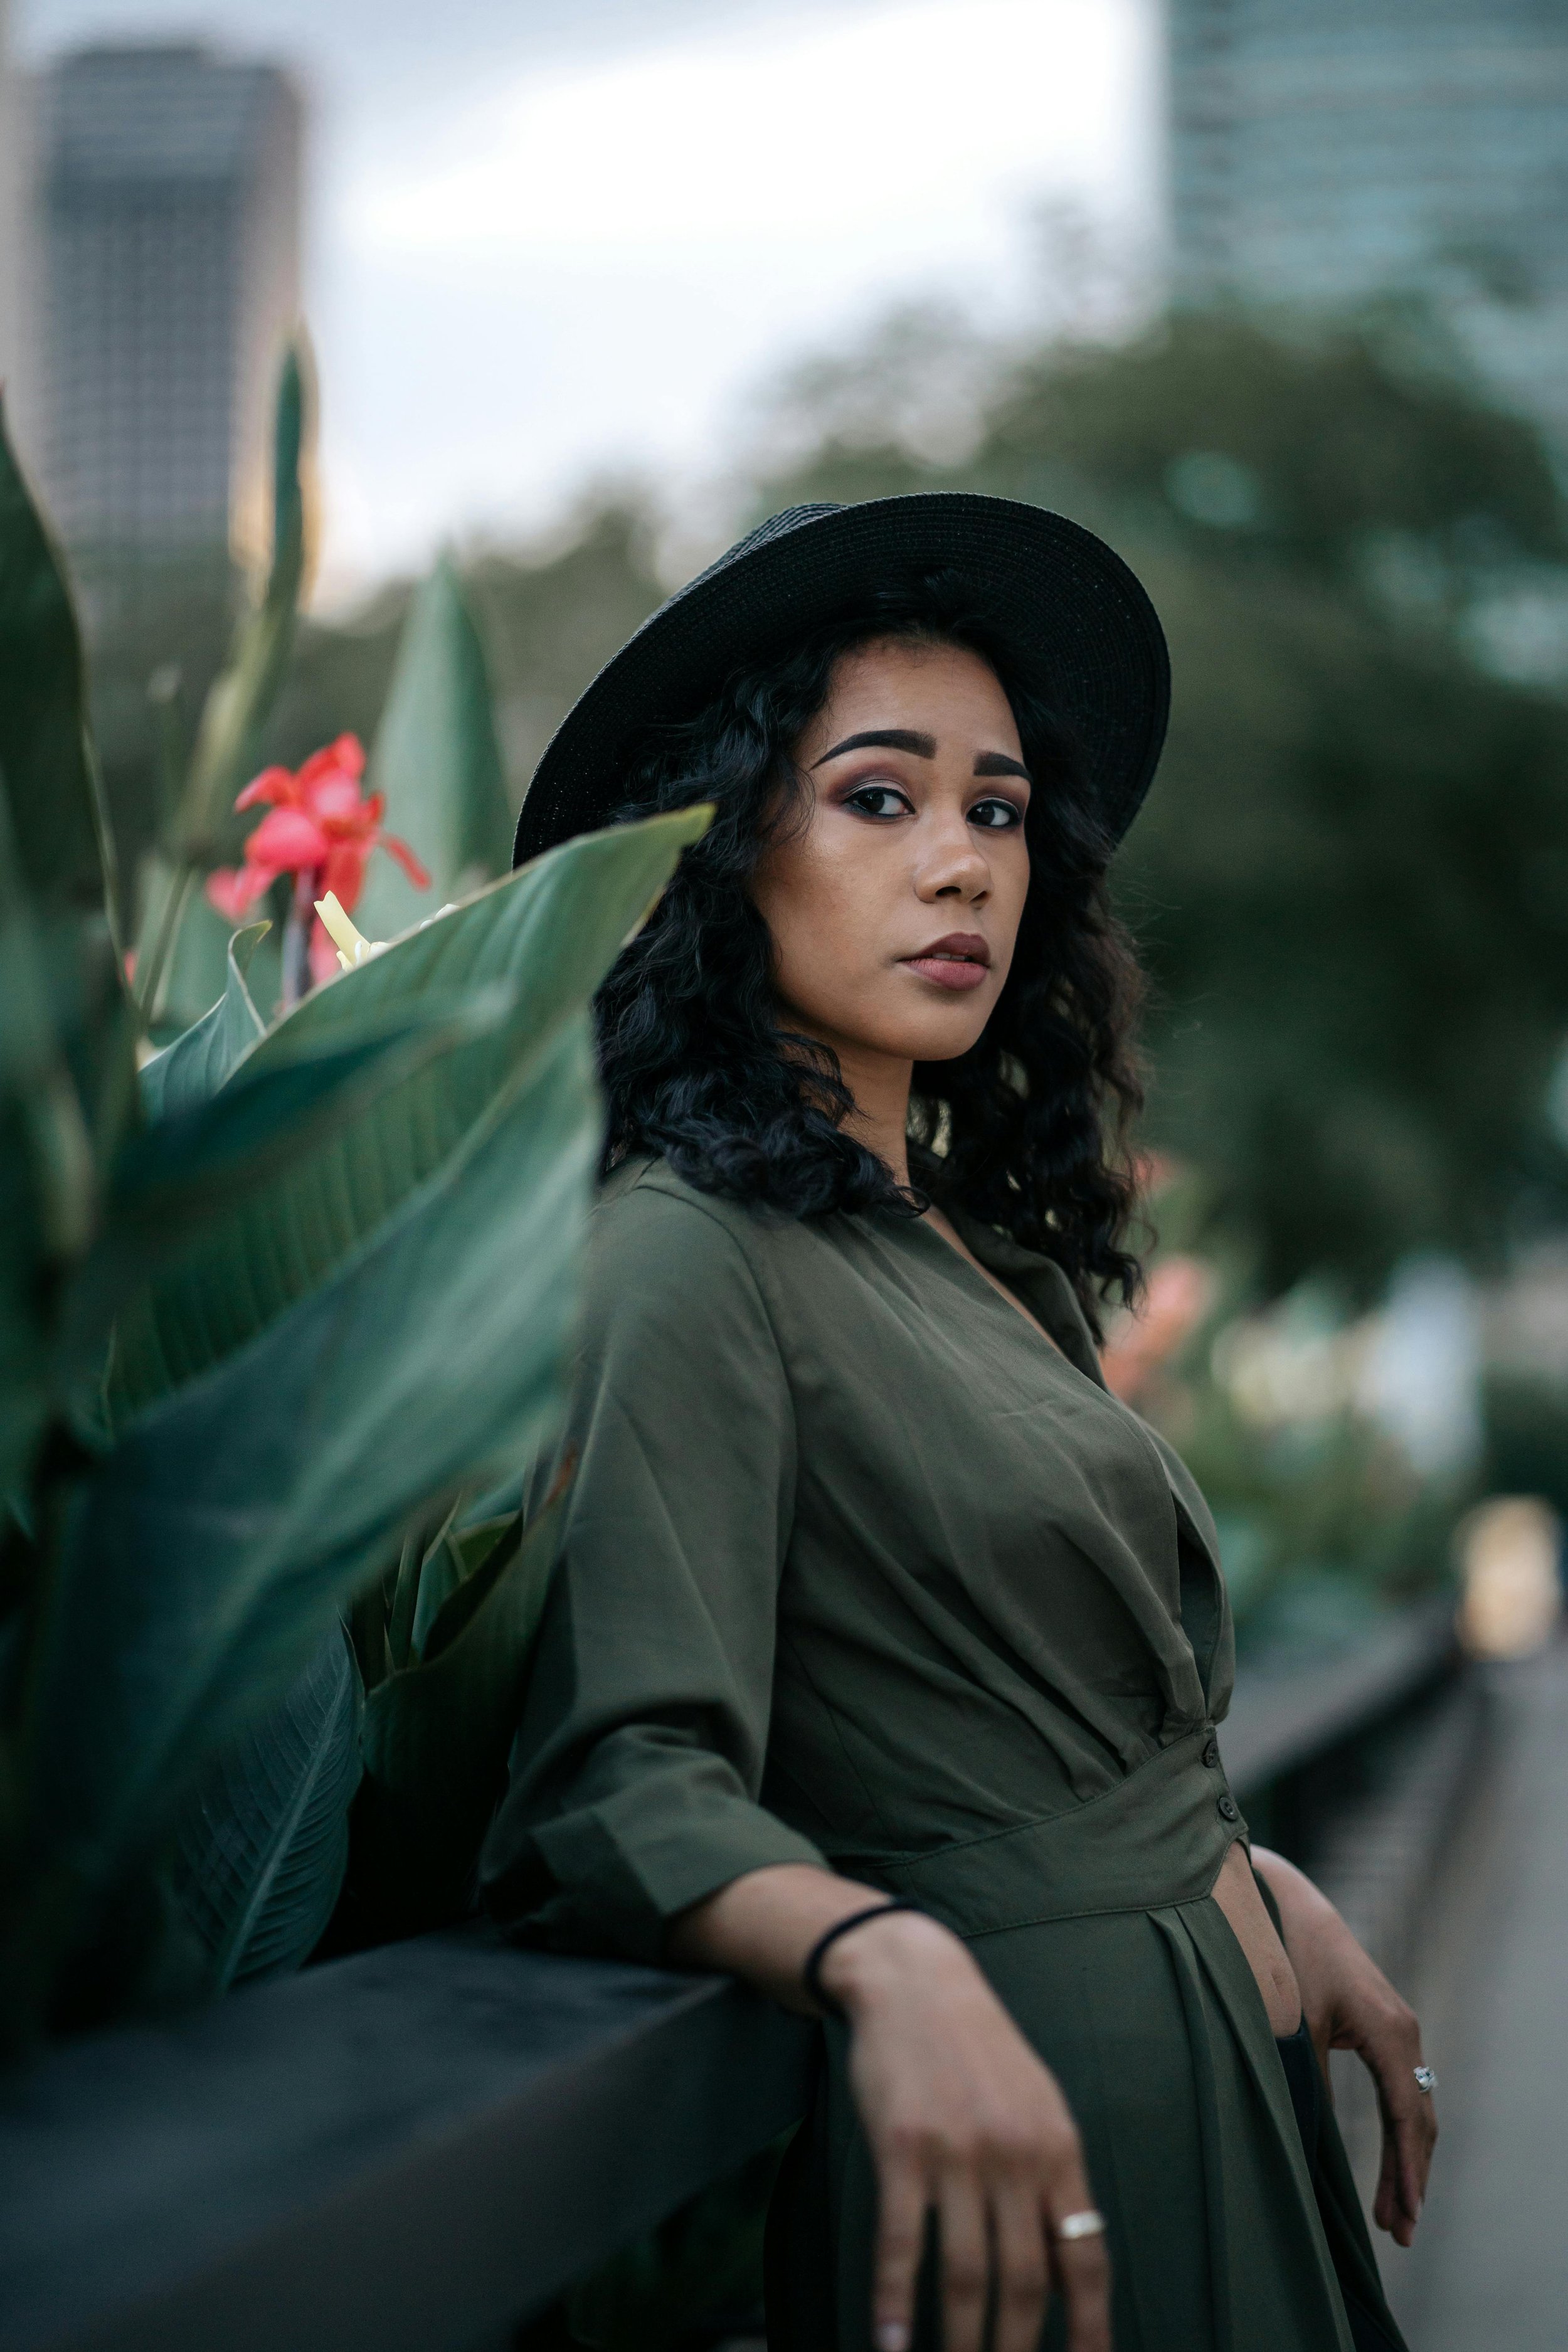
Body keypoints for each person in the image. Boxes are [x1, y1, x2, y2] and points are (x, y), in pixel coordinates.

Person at [481, 496, 1436, 2352]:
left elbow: (1029, 1697)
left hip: (1209, 2065)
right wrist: (882, 1955)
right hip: (1016, 2134)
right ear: (714, 852)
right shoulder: (688, 1260)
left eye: (995, 811)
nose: (961, 866)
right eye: (877, 797)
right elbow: (615, 1780)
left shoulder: (987, 1255)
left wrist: (1223, 1864)